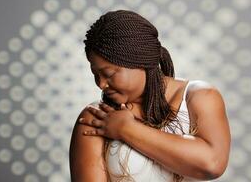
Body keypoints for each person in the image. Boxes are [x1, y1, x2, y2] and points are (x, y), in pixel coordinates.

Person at [69, 10, 231, 182]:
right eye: (96, 74)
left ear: (140, 61)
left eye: (108, 73)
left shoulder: (199, 97)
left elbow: (212, 164)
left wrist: (126, 129)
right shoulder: (96, 117)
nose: (101, 84)